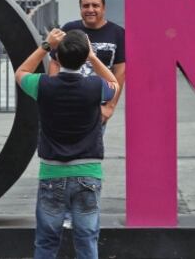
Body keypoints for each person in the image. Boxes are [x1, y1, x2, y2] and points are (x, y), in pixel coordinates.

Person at [16, 29, 119, 259]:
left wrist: (46, 45)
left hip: (51, 173)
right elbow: (114, 83)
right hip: (88, 173)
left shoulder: (44, 86)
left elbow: (21, 72)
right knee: (86, 239)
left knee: (46, 242)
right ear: (83, 59)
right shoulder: (94, 87)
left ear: (58, 58)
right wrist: (93, 57)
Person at [46, 0, 125, 124]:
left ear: (104, 8)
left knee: (92, 145)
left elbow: (121, 70)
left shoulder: (117, 33)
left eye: (95, 5)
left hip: (97, 105)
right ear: (80, 8)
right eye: (86, 6)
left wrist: (110, 107)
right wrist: (55, 93)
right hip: (68, 102)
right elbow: (54, 62)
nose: (90, 9)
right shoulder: (69, 29)